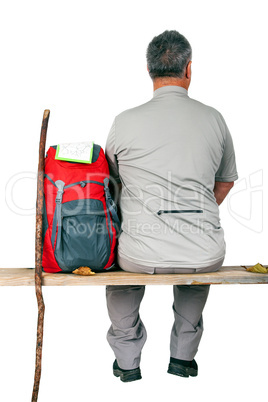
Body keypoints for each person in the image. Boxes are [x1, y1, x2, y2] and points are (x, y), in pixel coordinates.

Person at [104, 30, 238, 382]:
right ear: (189, 69)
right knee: (197, 265)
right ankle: (183, 358)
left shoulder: (124, 121)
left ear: (148, 70)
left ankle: (127, 361)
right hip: (204, 253)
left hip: (139, 253)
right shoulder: (214, 119)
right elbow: (224, 182)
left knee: (124, 272)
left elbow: (112, 184)